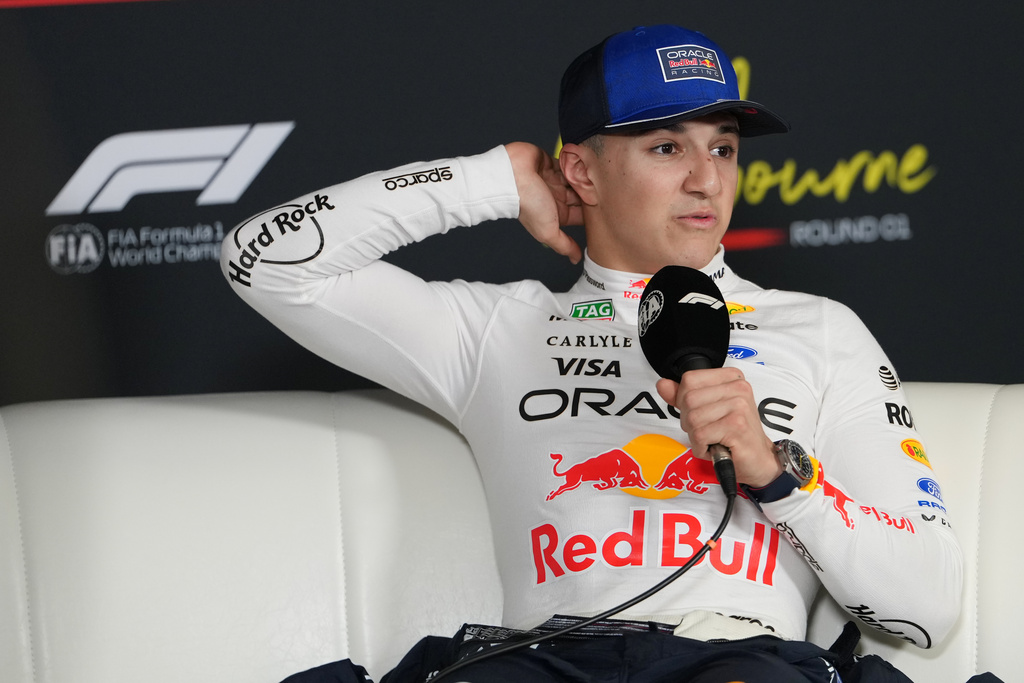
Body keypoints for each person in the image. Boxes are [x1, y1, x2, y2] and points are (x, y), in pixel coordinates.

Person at [222, 24, 964, 683]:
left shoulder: (820, 329)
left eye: (724, 148)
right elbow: (261, 260)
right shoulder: (498, 328)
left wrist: (777, 474)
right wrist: (489, 181)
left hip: (740, 658)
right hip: (543, 659)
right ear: (581, 172)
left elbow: (927, 609)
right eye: (667, 147)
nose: (706, 179)